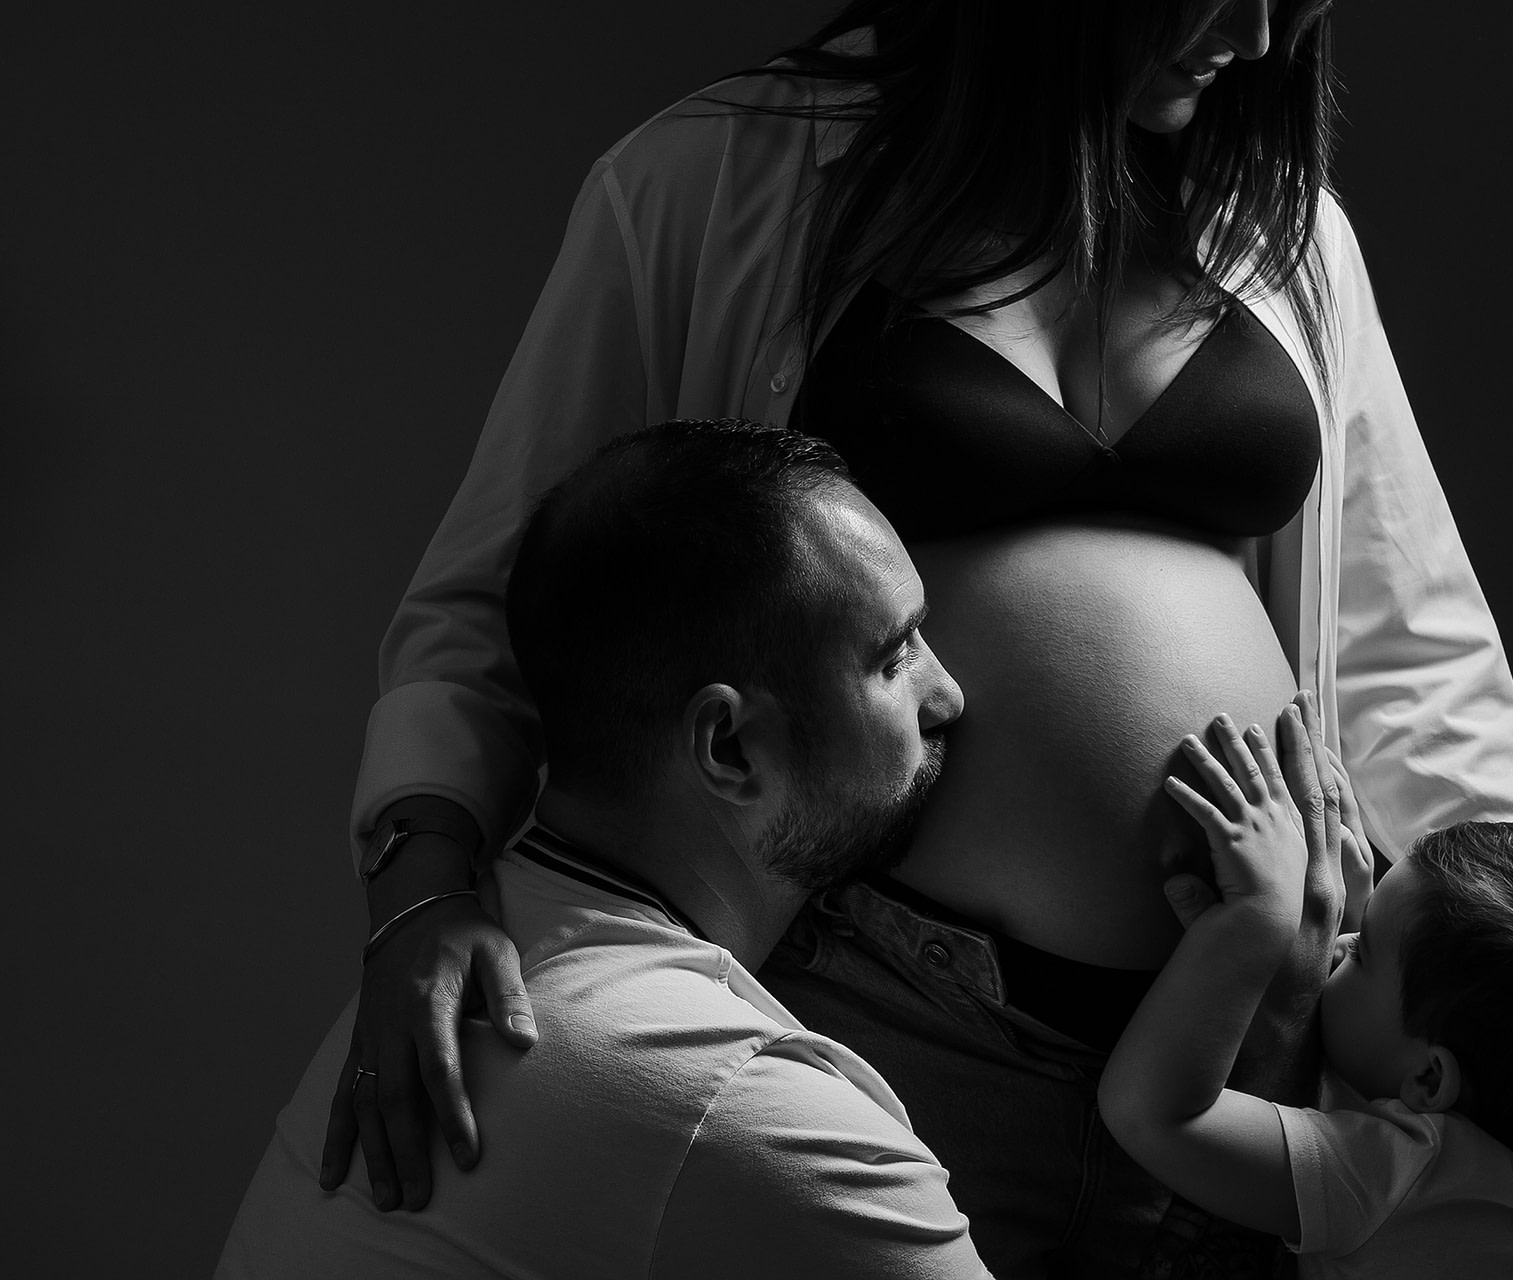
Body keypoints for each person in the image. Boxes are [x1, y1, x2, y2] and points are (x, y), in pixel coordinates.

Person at [325, 2, 1513, 1273]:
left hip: (1255, 1042)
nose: (1260, 33)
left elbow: (1410, 646)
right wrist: (423, 886)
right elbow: (506, 588)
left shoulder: (1286, 236)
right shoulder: (711, 180)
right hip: (885, 1011)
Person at [218, 418, 990, 1277]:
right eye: (894, 657)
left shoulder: (431, 976)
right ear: (729, 747)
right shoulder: (750, 1110)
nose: (948, 695)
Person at [1100, 716, 1513, 1278]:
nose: (1340, 942)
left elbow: (1155, 1116)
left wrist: (1256, 921)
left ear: (1431, 1079)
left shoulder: (1399, 1174)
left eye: (1364, 950)